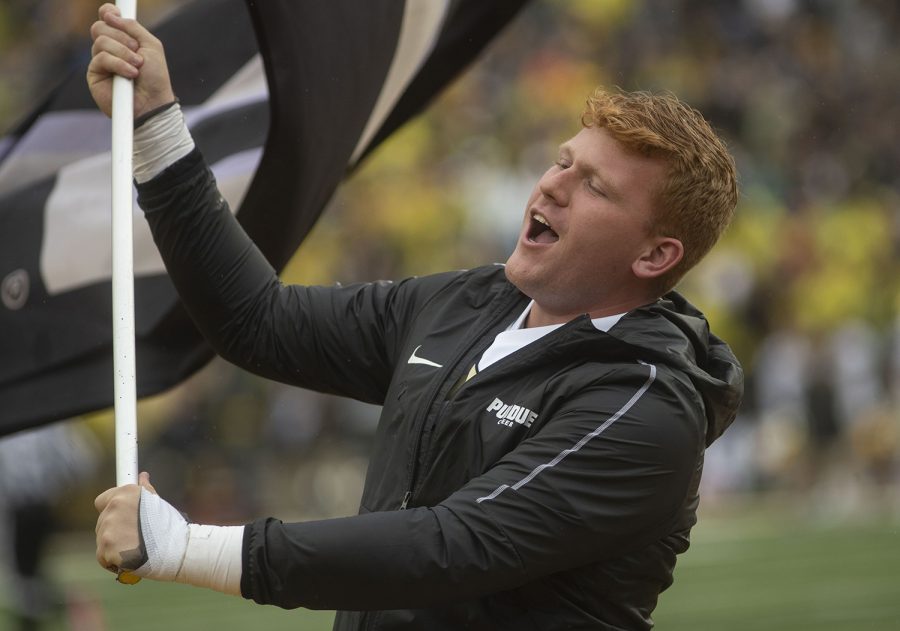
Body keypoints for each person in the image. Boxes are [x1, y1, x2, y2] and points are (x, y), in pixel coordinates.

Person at [88, 4, 743, 630]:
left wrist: (181, 547)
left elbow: (451, 544)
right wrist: (154, 124)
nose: (551, 185)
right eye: (563, 161)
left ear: (657, 254)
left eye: (595, 186)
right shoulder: (472, 301)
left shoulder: (646, 406)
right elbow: (258, 321)